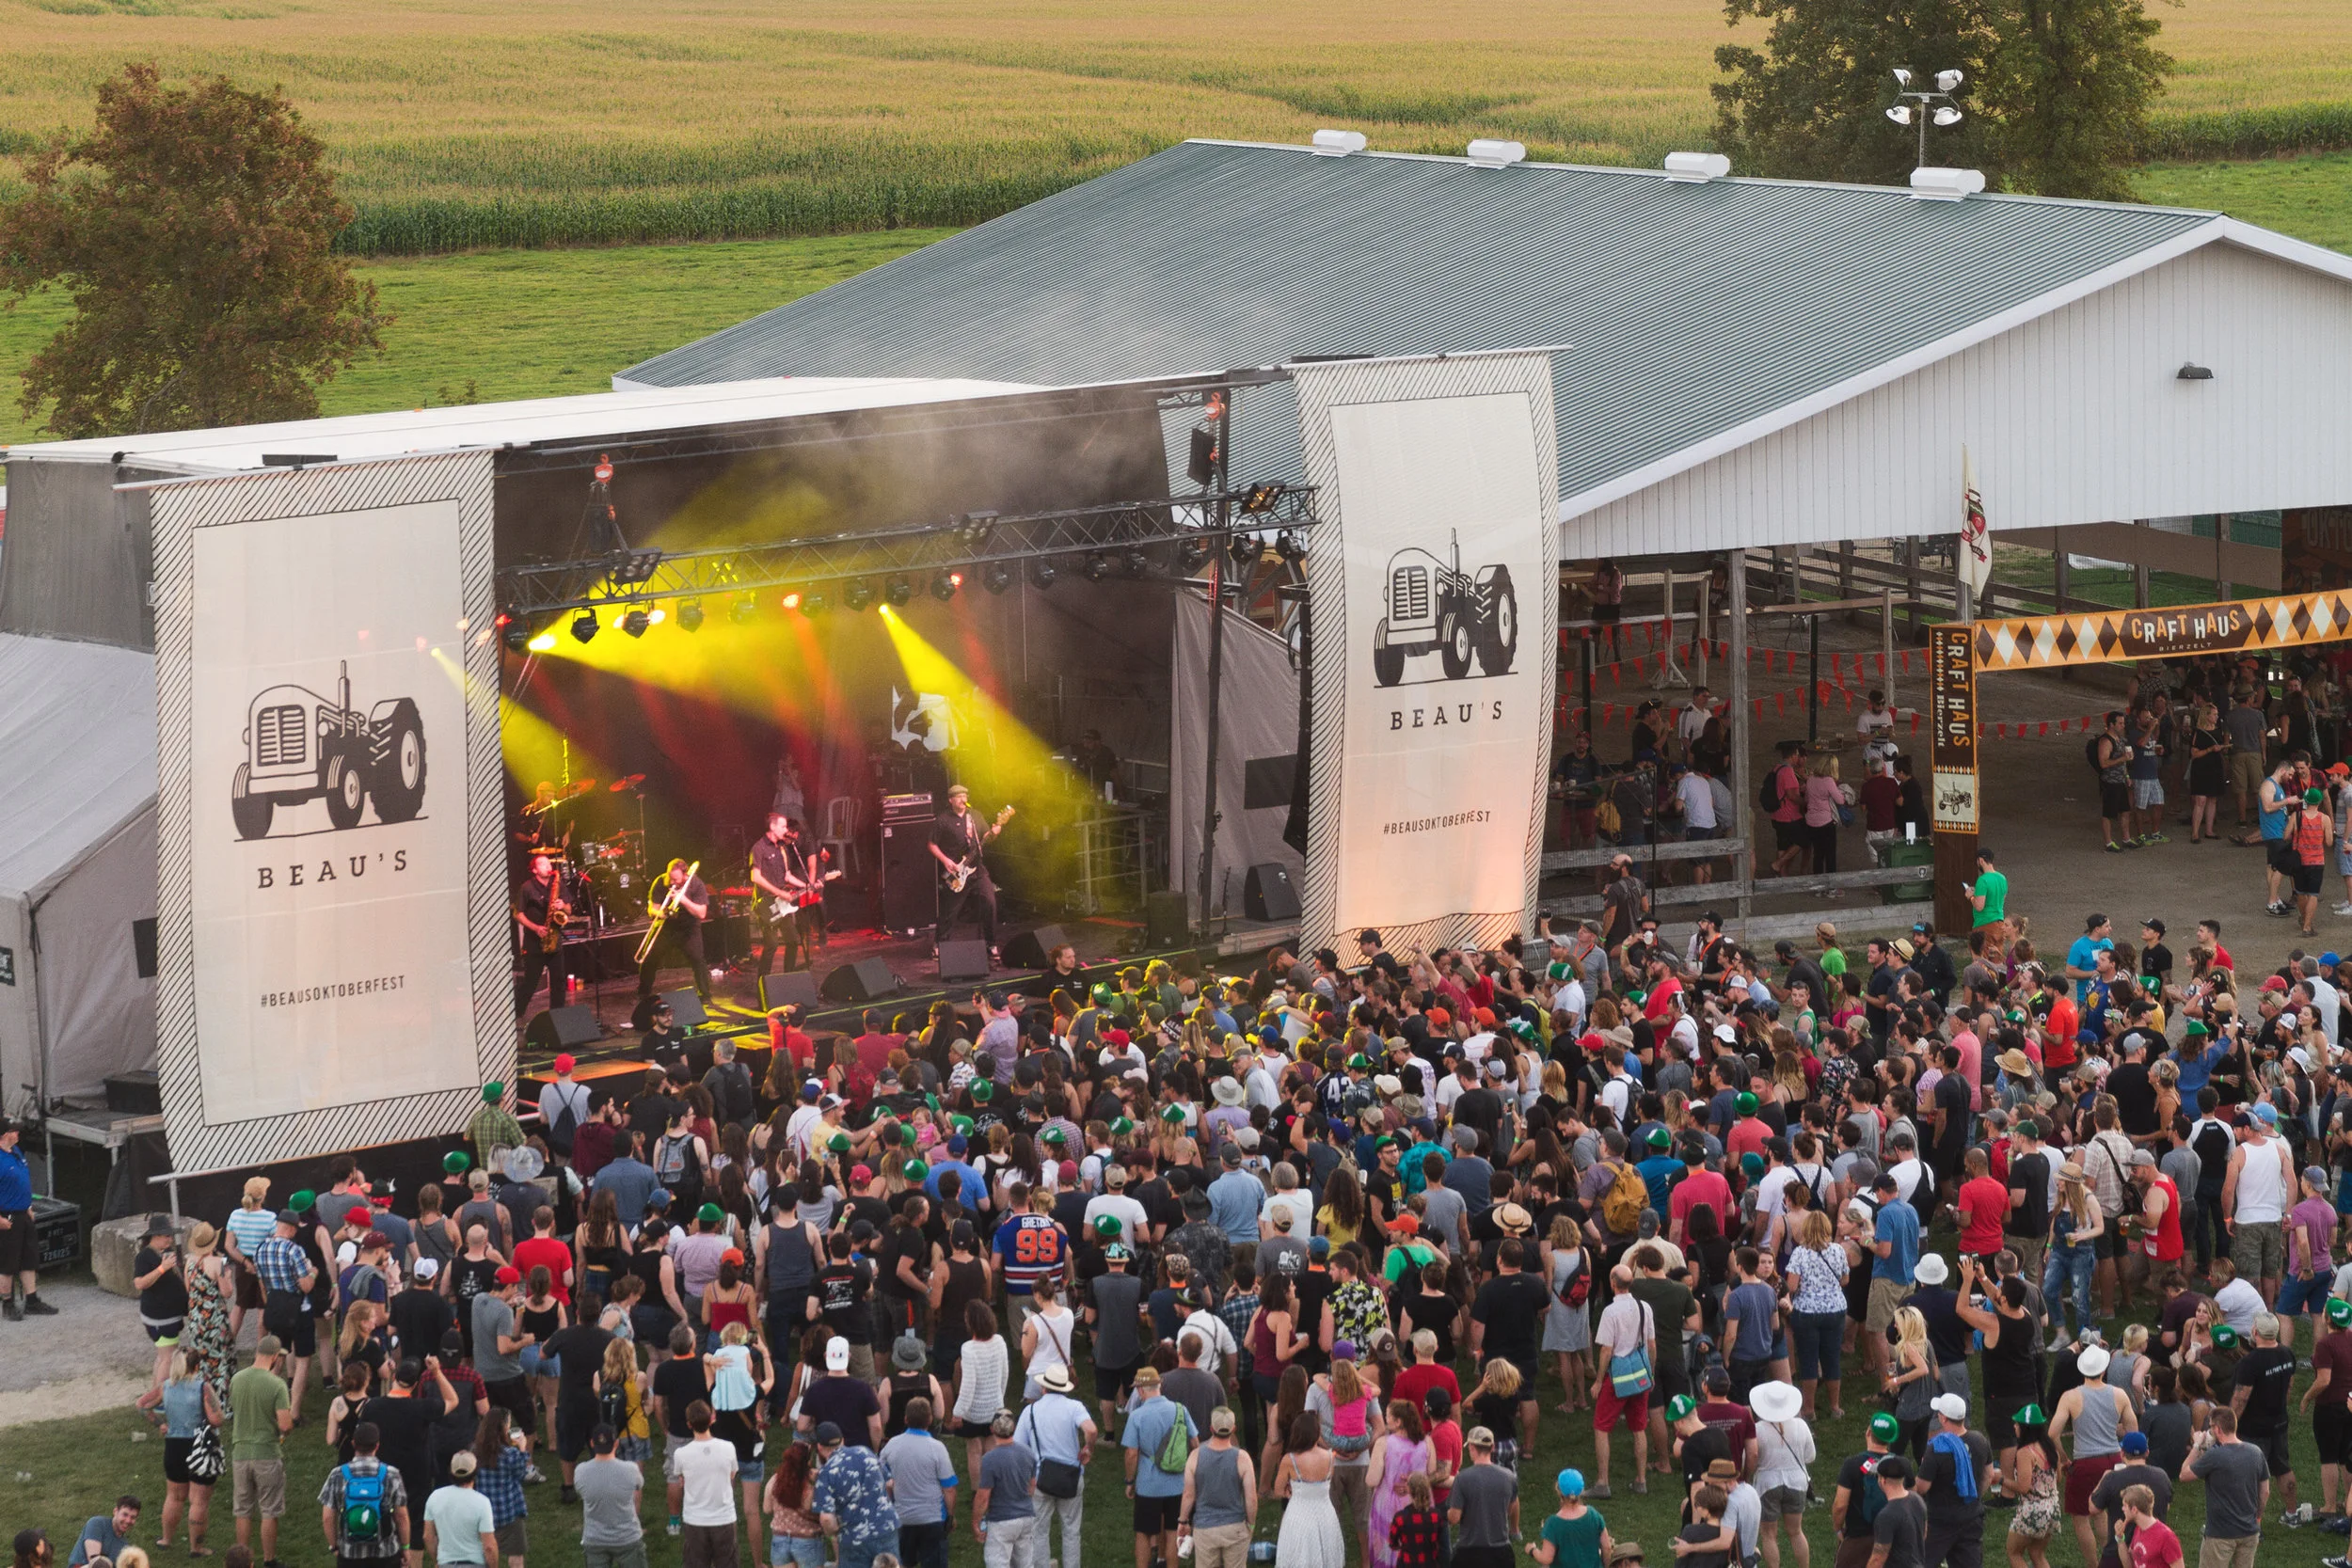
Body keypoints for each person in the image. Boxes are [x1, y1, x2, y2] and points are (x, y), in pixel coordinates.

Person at [137, 1348, 225, 1556]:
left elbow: (141, 1405)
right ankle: (197, 1547)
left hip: (174, 1445)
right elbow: (216, 1419)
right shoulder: (203, 1388)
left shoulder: (165, 1387)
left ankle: (166, 1539)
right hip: (199, 1446)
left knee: (174, 1497)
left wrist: (159, 1424)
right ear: (196, 1366)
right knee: (199, 1500)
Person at [230, 1335, 294, 1565]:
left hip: (240, 1453)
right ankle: (269, 1560)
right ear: (276, 1357)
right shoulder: (277, 1384)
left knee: (243, 1510)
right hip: (267, 1453)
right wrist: (283, 1431)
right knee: (269, 1510)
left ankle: (243, 1560)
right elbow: (285, 1424)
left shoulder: (236, 1379)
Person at [2182, 1407, 2267, 1568]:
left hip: (2220, 1534)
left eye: (2211, 1427)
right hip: (2249, 1531)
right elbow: (2265, 1491)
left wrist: (2196, 1446)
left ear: (2217, 1429)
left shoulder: (2215, 1456)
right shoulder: (2256, 1452)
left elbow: (2183, 1475)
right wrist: (2258, 1518)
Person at [811, 1419, 901, 1568]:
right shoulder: (865, 1452)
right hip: (886, 1528)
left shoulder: (826, 1474)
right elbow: (890, 1483)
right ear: (842, 1440)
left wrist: (833, 1531)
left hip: (853, 1538)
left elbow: (827, 1519)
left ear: (819, 1447)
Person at [879, 1397, 956, 1568]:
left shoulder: (891, 1445)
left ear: (906, 1419)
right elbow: (949, 1488)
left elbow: (880, 1474)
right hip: (933, 1518)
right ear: (930, 1420)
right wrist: (950, 1516)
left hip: (902, 1518)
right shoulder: (937, 1448)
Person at [319, 1422, 410, 1567]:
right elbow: (401, 1516)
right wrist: (405, 1547)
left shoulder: (338, 1474)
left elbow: (328, 1517)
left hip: (350, 1553)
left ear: (353, 1444)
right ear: (377, 1445)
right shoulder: (391, 1474)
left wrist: (334, 1546)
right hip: (386, 1553)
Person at [1177, 1405, 1257, 1568]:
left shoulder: (1195, 1456)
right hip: (1235, 1527)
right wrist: (1251, 1524)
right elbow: (1251, 1498)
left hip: (1205, 1529)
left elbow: (1188, 1495)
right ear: (1233, 1429)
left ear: (1211, 1428)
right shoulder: (1242, 1458)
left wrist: (1183, 1521)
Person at [1750, 1381, 1817, 1568]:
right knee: (1796, 1531)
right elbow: (1810, 1457)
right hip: (1796, 1482)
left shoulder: (1758, 1429)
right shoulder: (1801, 1426)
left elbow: (1752, 1458)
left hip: (1767, 1484)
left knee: (1769, 1534)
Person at [674, 1402, 740, 1568]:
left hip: (695, 1520)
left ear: (689, 1424)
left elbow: (681, 1480)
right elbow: (732, 1475)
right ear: (712, 1419)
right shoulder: (728, 1448)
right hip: (724, 1518)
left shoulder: (681, 1454)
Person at [972, 1409, 1038, 1568]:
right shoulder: (1028, 1453)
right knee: (1025, 1564)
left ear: (992, 1429)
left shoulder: (989, 1459)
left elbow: (983, 1497)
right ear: (1013, 1429)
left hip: (1001, 1521)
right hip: (1026, 1517)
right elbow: (1032, 1486)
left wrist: (976, 1521)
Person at [1447, 1425, 1518, 1568]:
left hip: (1469, 1552)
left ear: (1471, 1447)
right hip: (1501, 1552)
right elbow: (1510, 1509)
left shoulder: (1462, 1479)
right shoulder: (1509, 1477)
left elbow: (1454, 1518)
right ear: (1492, 1448)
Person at [574, 1426, 645, 1568]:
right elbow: (639, 1486)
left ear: (592, 1444)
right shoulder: (631, 1469)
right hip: (627, 1537)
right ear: (616, 1443)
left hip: (595, 1539)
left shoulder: (581, 1471)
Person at [421, 1452, 497, 1568]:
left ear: (451, 1472)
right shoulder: (482, 1502)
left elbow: (428, 1536)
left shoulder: (435, 1497)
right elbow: (489, 1547)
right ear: (475, 1473)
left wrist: (438, 1560)